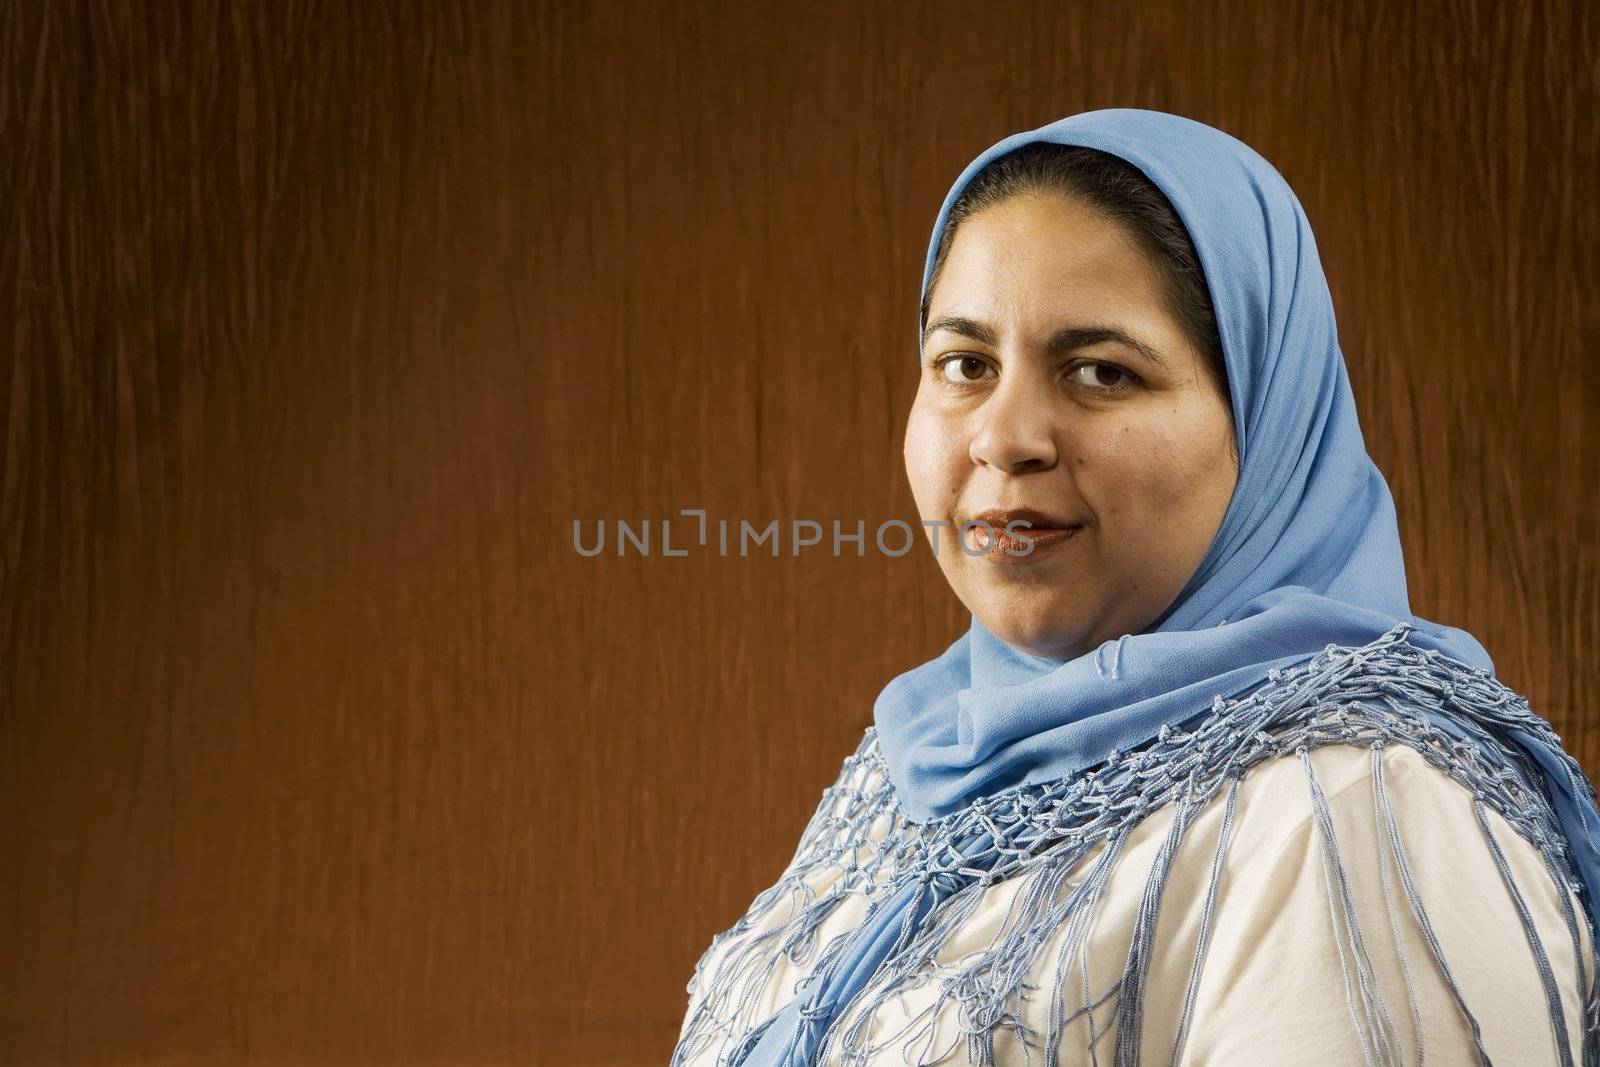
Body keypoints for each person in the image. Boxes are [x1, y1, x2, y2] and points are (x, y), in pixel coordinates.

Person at [670, 109, 1600, 1066]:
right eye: (965, 365)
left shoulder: (1357, 815)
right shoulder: (925, 756)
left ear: (1264, 423)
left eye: (1100, 372)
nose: (1005, 435)